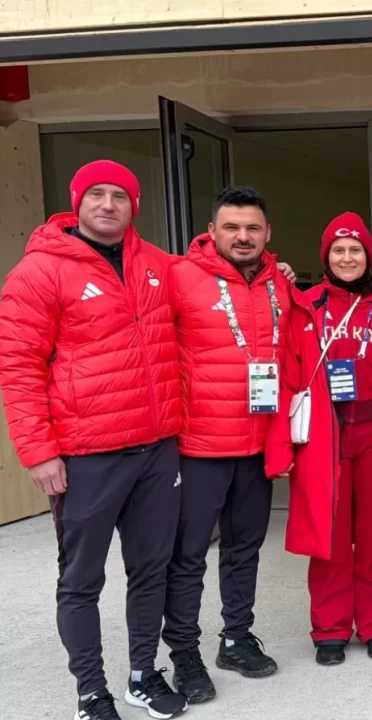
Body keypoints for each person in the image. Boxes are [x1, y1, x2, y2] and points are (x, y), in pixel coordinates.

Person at [0, 160, 187, 720]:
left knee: (152, 568)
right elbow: (18, 366)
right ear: (77, 202)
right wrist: (39, 452)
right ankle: (90, 690)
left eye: (120, 196)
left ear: (135, 205)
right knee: (81, 579)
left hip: (157, 448)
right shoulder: (38, 272)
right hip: (86, 455)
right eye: (97, 195)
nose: (108, 205)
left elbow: (208, 281)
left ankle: (141, 675)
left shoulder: (155, 264)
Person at [267, 212, 372, 666]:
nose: (346, 257)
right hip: (325, 438)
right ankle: (330, 629)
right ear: (326, 257)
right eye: (338, 250)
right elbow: (287, 380)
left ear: (368, 255)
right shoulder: (306, 304)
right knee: (331, 539)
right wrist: (281, 449)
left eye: (355, 250)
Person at [161, 186, 288, 704]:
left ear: (266, 234)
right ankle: (184, 653)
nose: (243, 237)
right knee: (188, 555)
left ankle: (236, 637)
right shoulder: (180, 277)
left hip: (256, 444)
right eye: (232, 227)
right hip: (199, 445)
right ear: (211, 232)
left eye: (252, 228)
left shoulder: (279, 282)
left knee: (245, 550)